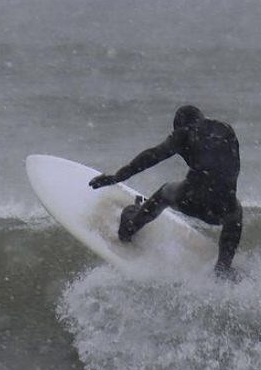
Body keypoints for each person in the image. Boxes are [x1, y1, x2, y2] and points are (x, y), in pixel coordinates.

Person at [89, 104, 243, 277]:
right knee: (235, 211)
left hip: (194, 201)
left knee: (166, 191)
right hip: (221, 210)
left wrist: (116, 177)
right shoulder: (226, 130)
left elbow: (152, 156)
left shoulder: (185, 133)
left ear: (179, 126)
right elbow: (227, 168)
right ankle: (223, 268)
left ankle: (130, 227)